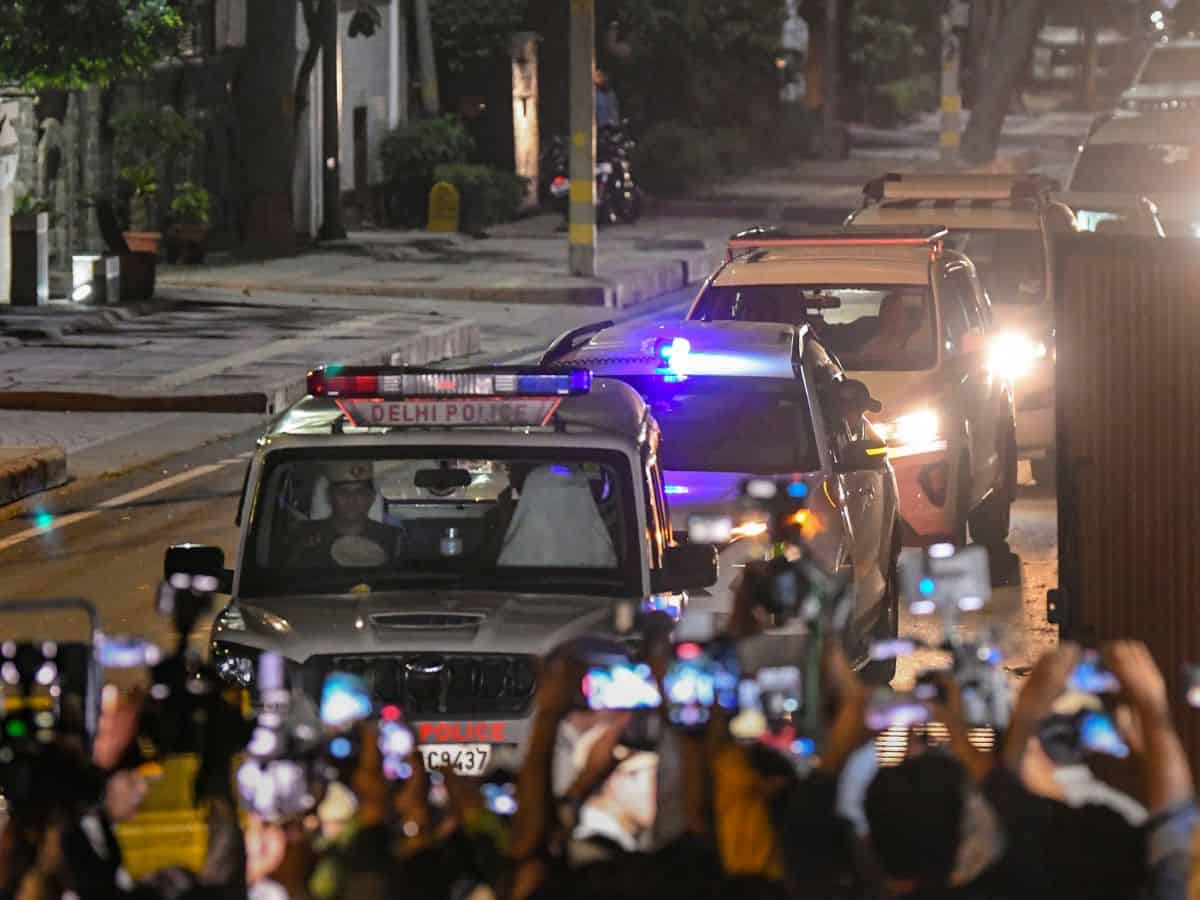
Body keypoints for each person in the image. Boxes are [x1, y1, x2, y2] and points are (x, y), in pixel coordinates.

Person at [288, 462, 400, 568]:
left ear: (371, 497)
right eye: (343, 492)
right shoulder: (303, 535)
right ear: (330, 496)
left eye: (359, 492)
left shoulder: (394, 539)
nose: (351, 499)